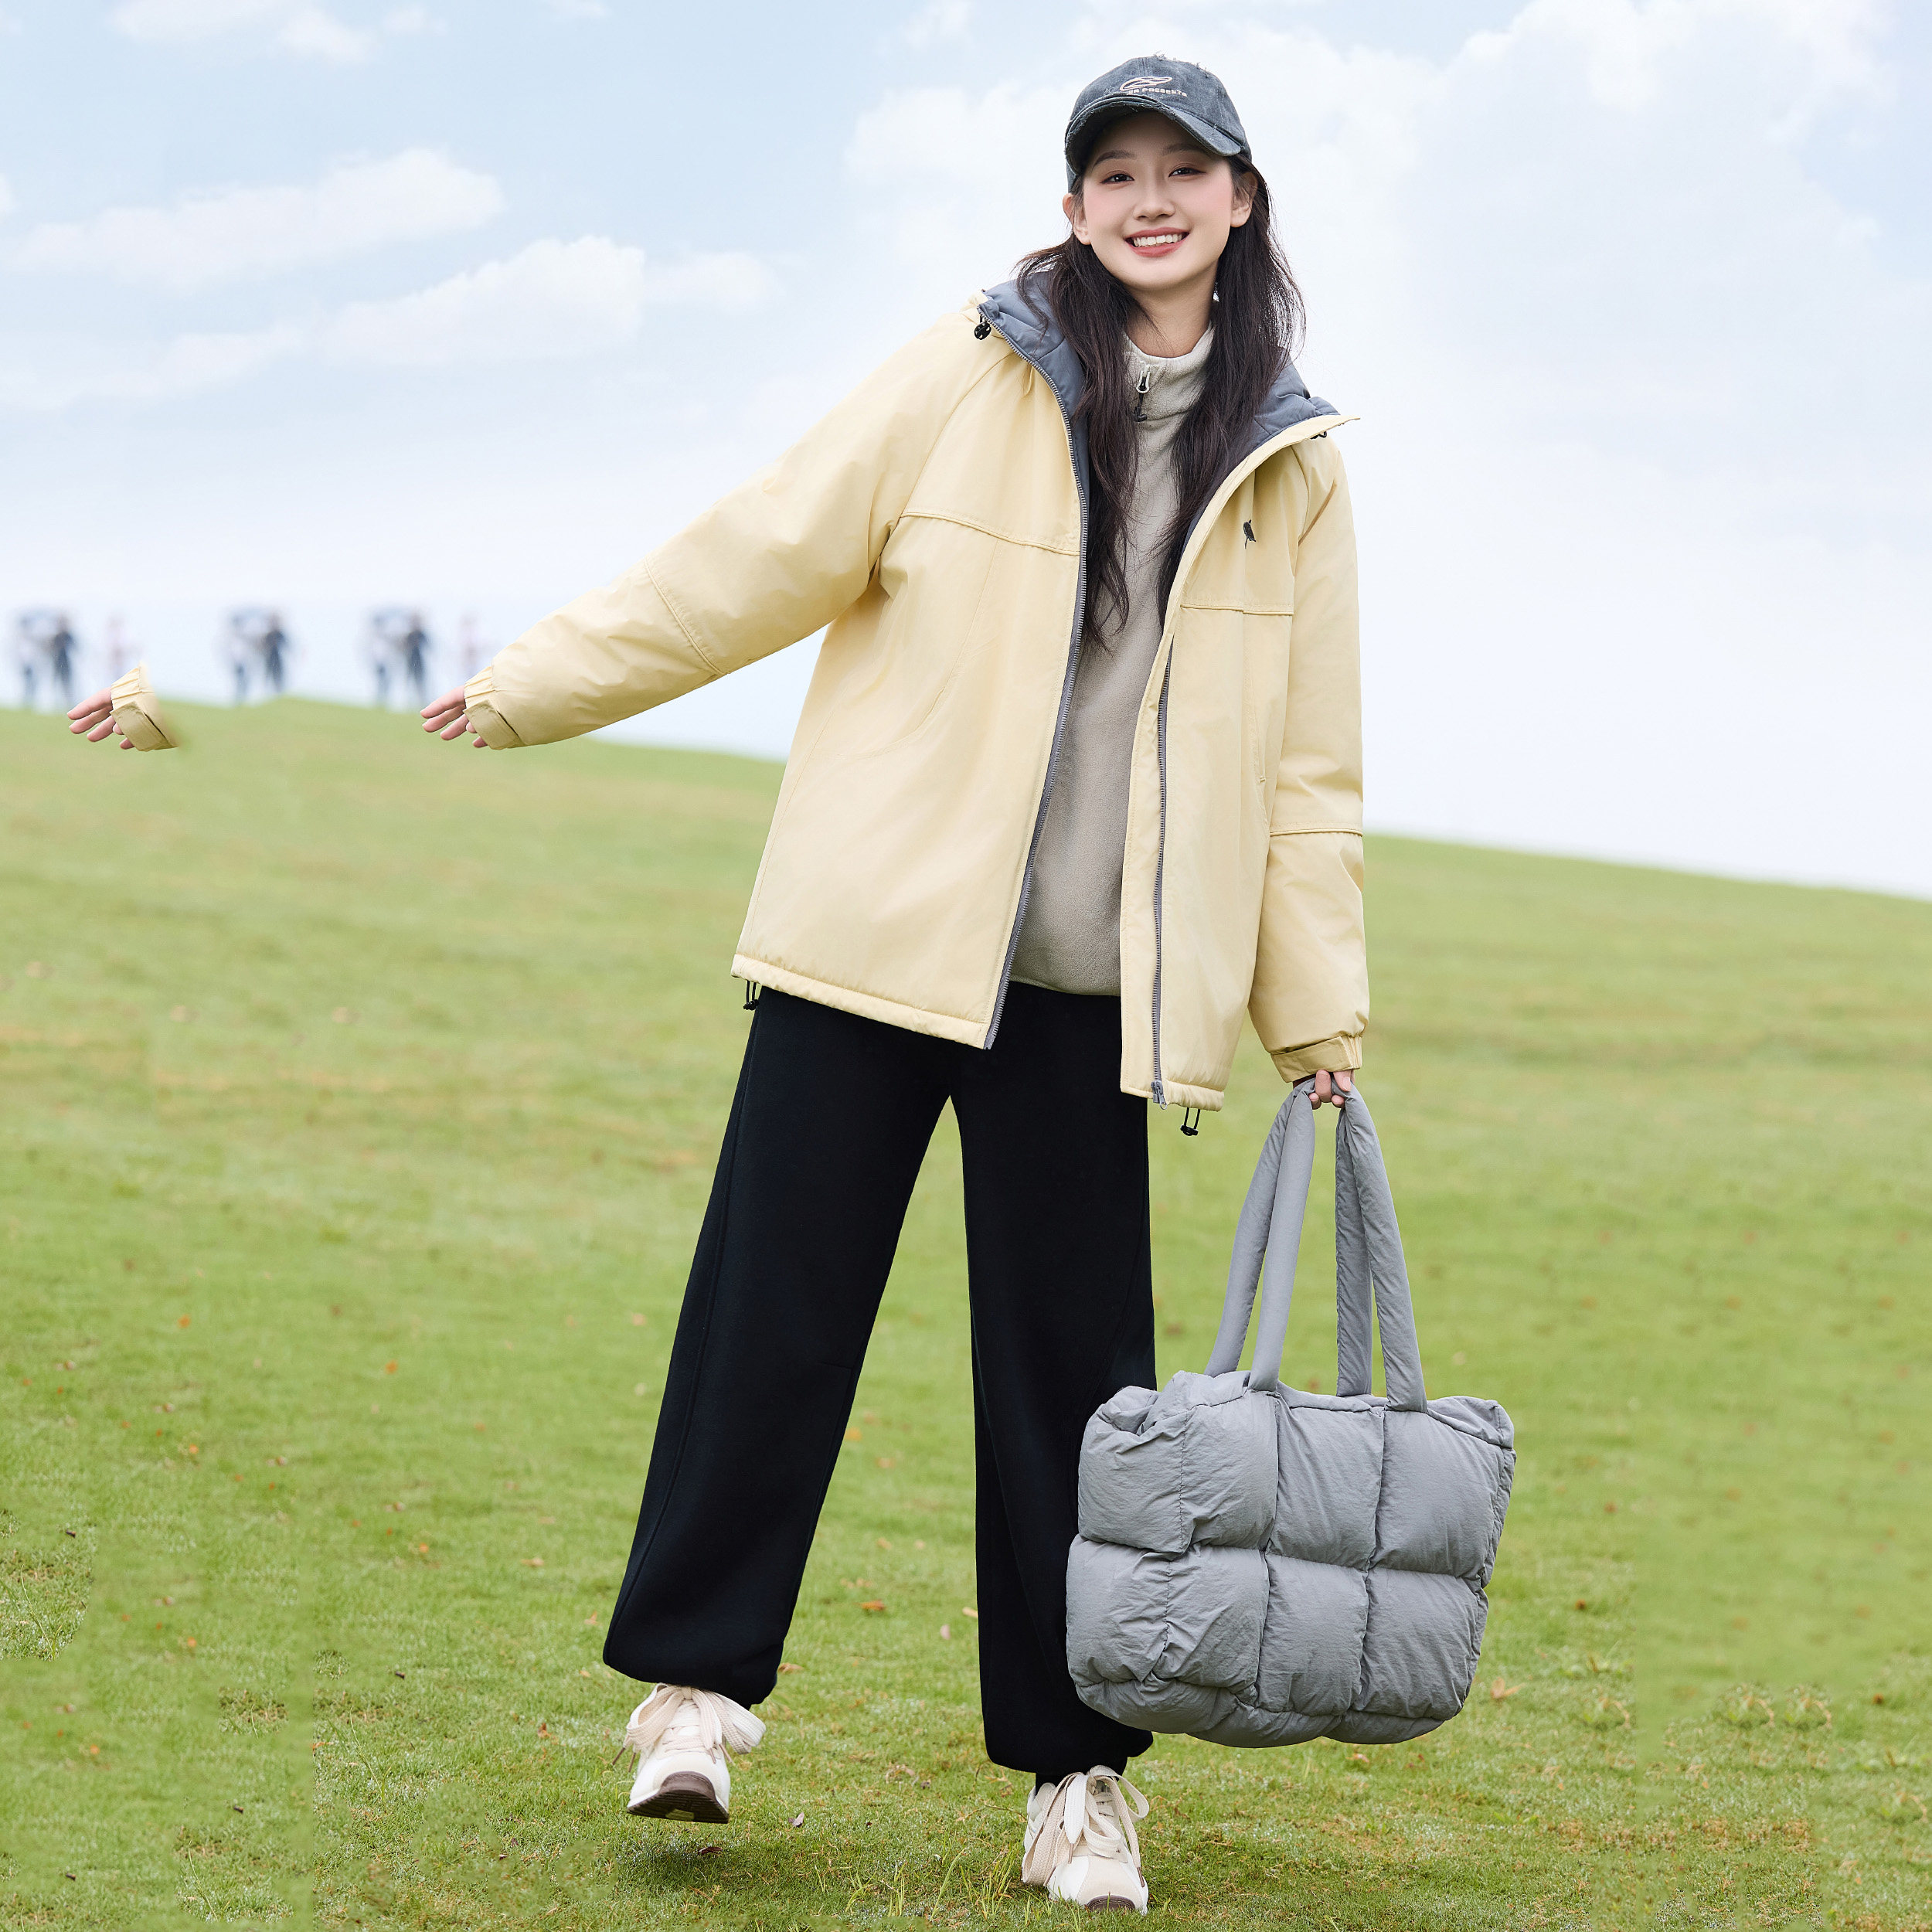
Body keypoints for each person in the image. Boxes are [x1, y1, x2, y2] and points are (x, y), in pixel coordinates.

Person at [419, 56, 1364, 1914]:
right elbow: (762, 546)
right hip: (870, 945)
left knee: (1075, 1404)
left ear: (1239, 201)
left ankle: (1078, 1779)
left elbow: (1308, 772)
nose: (1147, 199)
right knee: (765, 1324)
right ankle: (691, 1697)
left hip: (1091, 989)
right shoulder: (970, 370)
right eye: (1113, 171)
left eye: (1182, 170)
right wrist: (539, 680)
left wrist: (1313, 1013)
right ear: (1072, 204)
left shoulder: (1291, 465)